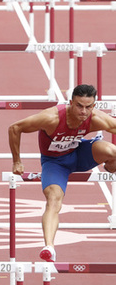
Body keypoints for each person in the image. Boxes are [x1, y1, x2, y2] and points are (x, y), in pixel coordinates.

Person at [8, 84, 116, 262]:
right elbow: (14, 128)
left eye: (88, 107)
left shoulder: (97, 118)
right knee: (53, 201)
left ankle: (111, 167)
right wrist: (17, 161)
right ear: (71, 102)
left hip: (80, 154)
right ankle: (49, 246)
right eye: (79, 106)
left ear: (94, 105)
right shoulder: (51, 118)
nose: (83, 111)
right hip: (54, 163)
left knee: (112, 150)